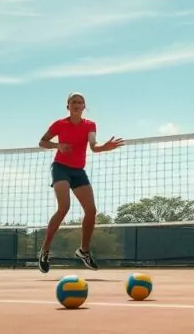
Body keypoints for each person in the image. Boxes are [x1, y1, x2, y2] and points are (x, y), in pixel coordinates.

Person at [36, 92, 124, 274]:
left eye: (80, 102)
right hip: (60, 168)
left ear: (84, 107)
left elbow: (93, 146)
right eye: (74, 102)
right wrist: (57, 146)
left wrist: (105, 148)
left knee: (91, 210)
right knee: (64, 207)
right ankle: (45, 250)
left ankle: (83, 251)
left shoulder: (90, 125)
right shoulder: (59, 124)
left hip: (78, 171)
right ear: (68, 106)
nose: (77, 105)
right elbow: (42, 142)